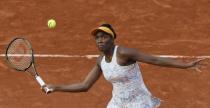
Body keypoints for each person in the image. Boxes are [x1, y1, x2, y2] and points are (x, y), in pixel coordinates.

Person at [43, 23, 207, 108]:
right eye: (97, 37)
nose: (99, 40)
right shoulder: (100, 61)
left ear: (112, 38)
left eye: (103, 37)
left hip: (138, 103)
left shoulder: (123, 53)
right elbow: (85, 86)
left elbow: (155, 60)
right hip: (118, 103)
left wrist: (185, 65)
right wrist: (56, 87)